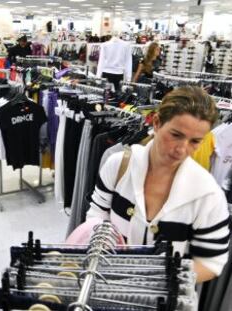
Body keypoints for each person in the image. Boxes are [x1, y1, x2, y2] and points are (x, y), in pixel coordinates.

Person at [76, 86, 229, 283]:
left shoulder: (208, 195)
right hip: (106, 285)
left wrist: (158, 281)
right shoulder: (119, 166)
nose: (182, 149)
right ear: (156, 123)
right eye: (176, 135)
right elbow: (97, 214)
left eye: (195, 141)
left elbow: (211, 262)